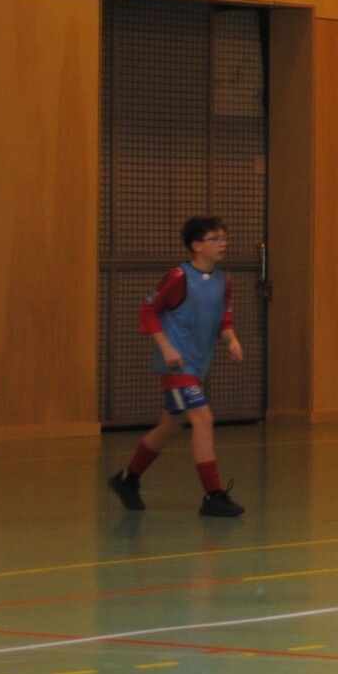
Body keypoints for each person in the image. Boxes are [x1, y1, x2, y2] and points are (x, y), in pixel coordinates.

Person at [108, 216, 246, 517]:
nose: (223, 243)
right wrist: (166, 346)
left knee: (170, 425)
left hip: (198, 365)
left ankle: (127, 479)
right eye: (215, 238)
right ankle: (213, 495)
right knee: (203, 418)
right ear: (197, 245)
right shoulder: (178, 277)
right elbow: (148, 310)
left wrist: (231, 340)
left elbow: (224, 319)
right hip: (176, 366)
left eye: (224, 237)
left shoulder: (224, 280)